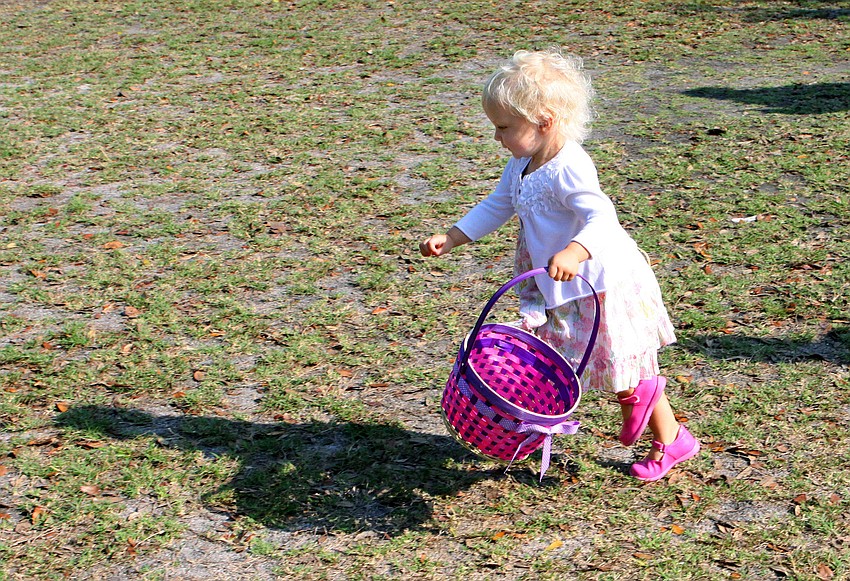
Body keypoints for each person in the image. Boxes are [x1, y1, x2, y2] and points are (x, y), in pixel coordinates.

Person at [419, 48, 699, 481]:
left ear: (544, 121)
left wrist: (574, 251)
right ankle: (669, 432)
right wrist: (454, 236)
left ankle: (649, 412)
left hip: (598, 280)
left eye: (504, 128)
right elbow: (499, 205)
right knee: (591, 361)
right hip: (562, 285)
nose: (498, 138)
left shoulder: (570, 166)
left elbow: (601, 217)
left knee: (615, 359)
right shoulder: (521, 163)